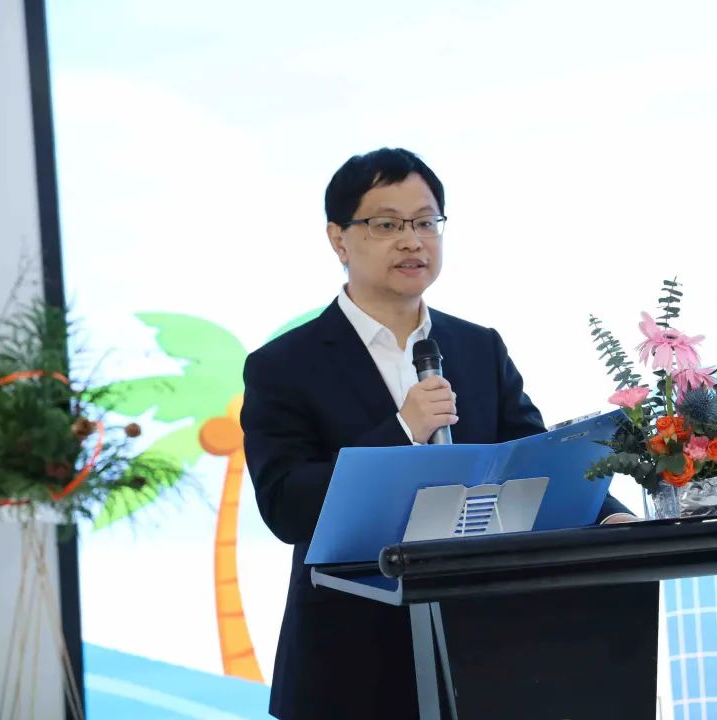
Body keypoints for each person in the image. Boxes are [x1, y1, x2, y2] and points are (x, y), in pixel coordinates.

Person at [241, 147, 636, 719]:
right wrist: (402, 430)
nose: (412, 241)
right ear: (338, 238)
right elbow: (286, 505)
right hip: (349, 667)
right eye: (387, 225)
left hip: (487, 657)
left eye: (426, 222)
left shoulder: (478, 347)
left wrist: (609, 519)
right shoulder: (284, 365)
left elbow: (534, 459)